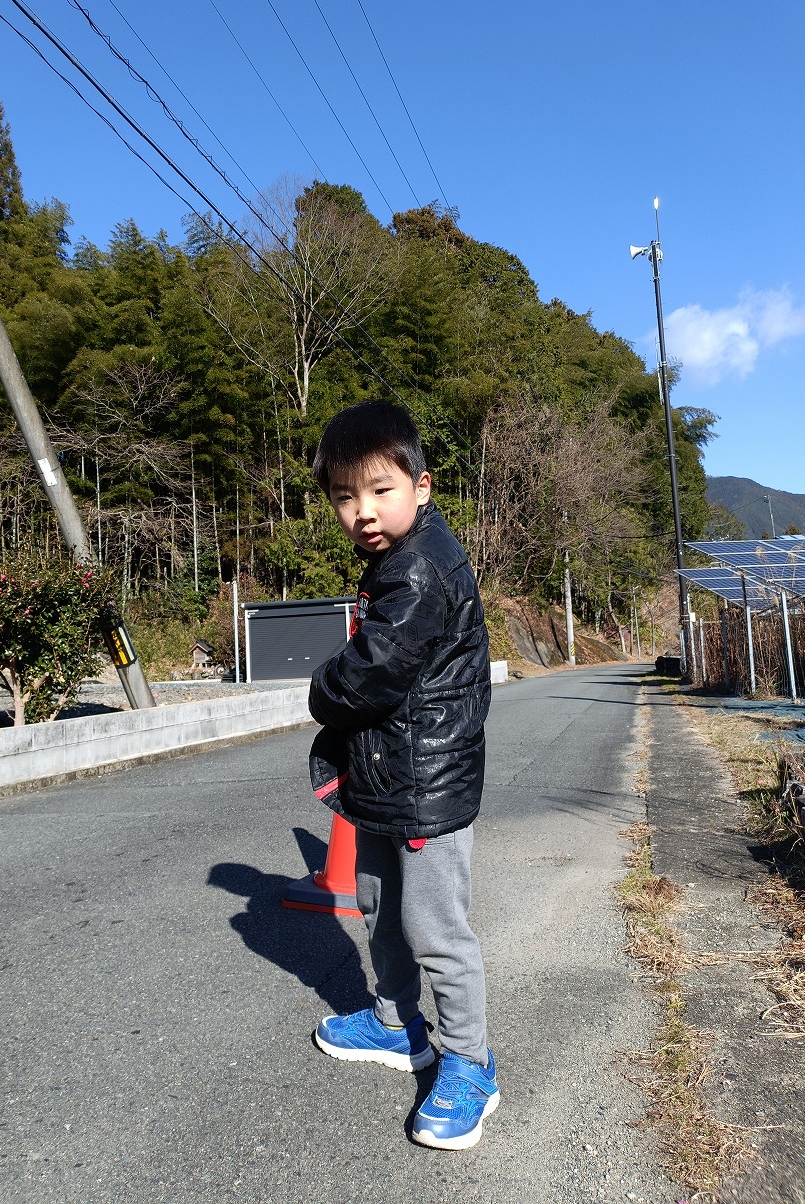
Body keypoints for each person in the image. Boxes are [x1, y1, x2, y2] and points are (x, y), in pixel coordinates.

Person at [306, 399, 498, 1151]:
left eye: (380, 490)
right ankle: (395, 1026)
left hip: (426, 784)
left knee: (435, 928)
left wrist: (320, 689)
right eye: (345, 497)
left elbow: (372, 671)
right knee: (379, 904)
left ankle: (470, 1061)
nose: (363, 511)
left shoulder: (420, 568)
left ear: (422, 485)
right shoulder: (396, 560)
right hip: (391, 774)